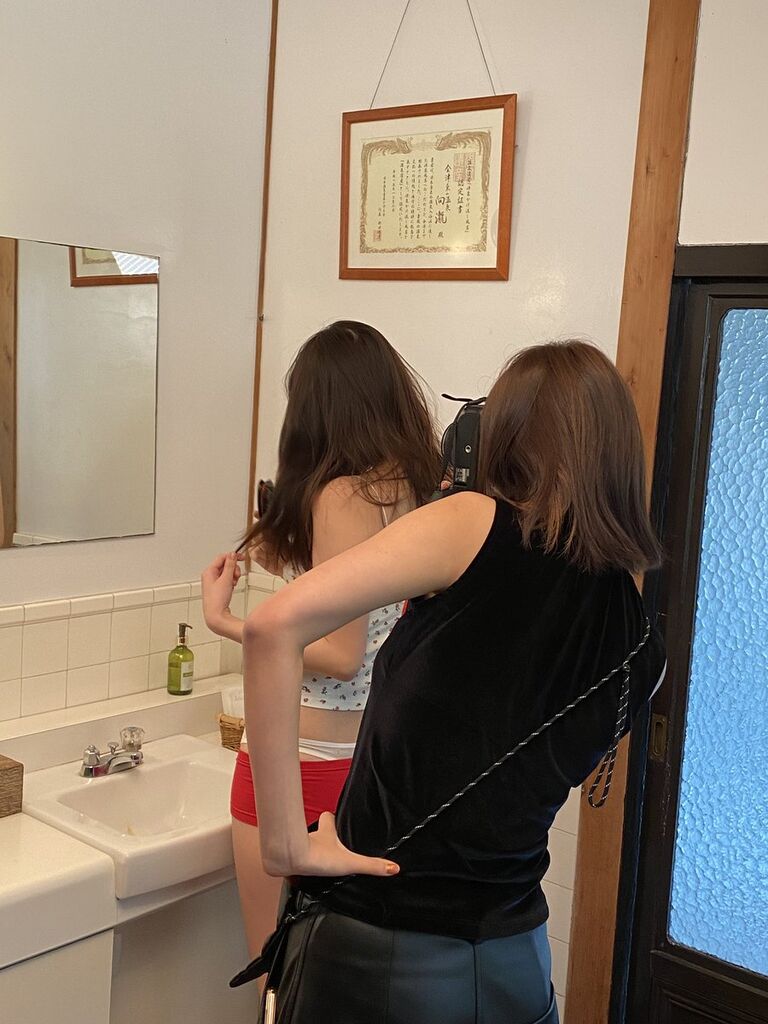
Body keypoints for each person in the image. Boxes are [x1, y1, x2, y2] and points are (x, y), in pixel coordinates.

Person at [228, 340, 667, 1024]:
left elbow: (271, 628)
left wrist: (286, 845)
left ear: (510, 433)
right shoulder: (643, 643)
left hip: (382, 950)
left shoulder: (472, 523)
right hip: (516, 958)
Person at [201, 320, 440, 957]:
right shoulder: (405, 487)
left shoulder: (341, 494)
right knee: (334, 970)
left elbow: (338, 654)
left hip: (300, 758)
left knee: (272, 969)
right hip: (365, 755)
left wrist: (228, 623)